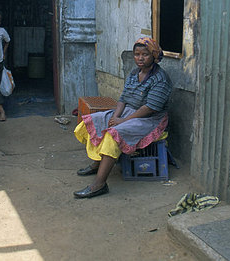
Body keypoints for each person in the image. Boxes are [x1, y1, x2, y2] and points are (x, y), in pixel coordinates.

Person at [73, 37, 172, 198]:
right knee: (89, 122)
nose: (140, 58)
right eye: (137, 54)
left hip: (149, 119)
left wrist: (122, 122)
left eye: (145, 54)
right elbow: (123, 98)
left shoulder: (161, 79)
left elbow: (149, 108)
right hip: (127, 113)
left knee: (114, 135)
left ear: (154, 56)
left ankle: (99, 185)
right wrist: (115, 116)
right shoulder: (134, 73)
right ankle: (98, 162)